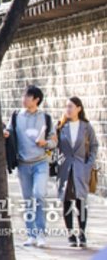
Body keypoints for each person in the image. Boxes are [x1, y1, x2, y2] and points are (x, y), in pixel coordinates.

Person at [3, 85, 56, 248]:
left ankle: (41, 234)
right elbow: (9, 132)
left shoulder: (45, 118)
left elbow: (54, 141)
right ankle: (31, 235)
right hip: (23, 164)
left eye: (27, 97)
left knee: (39, 195)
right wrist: (6, 134)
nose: (24, 99)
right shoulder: (16, 116)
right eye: (24, 96)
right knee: (28, 200)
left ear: (36, 100)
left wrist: (45, 143)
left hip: (41, 163)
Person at [56, 96, 99, 248]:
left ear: (79, 108)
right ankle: (70, 234)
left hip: (81, 168)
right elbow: (54, 145)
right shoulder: (61, 126)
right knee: (67, 201)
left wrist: (89, 164)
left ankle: (82, 233)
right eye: (66, 106)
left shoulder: (86, 127)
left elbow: (94, 145)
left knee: (81, 201)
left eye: (71, 106)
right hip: (65, 168)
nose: (68, 109)